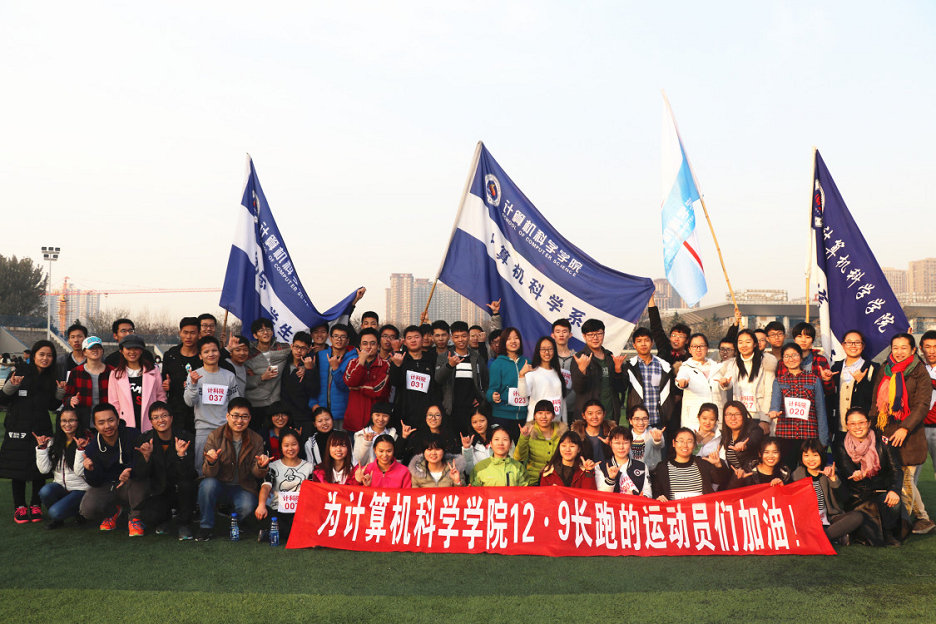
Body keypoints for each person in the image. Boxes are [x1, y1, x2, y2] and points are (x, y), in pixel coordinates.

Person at [868, 332, 933, 535]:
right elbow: (875, 402)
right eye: (895, 347)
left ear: (913, 350)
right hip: (885, 431)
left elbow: (922, 405)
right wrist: (872, 428)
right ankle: (923, 518)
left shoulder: (920, 371)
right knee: (898, 479)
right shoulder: (885, 369)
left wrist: (905, 428)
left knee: (905, 480)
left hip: (910, 434)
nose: (899, 352)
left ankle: (903, 523)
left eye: (904, 347)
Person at [0, 340, 63, 524]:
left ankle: (36, 505)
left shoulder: (52, 377)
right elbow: (2, 399)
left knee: (40, 468)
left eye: (49, 355)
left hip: (41, 429)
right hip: (18, 428)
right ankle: (19, 507)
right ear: (34, 355)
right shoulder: (19, 372)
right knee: (17, 469)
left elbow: (52, 406)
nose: (45, 358)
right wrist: (12, 386)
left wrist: (60, 392)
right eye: (42, 354)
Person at [197, 397, 270, 541]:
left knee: (247, 506)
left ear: (250, 418)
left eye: (244, 416)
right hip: (219, 483)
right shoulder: (214, 436)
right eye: (235, 416)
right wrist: (211, 462)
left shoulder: (256, 439)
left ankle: (236, 518)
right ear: (227, 416)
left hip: (243, 486)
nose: (239, 420)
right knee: (207, 485)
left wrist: (261, 466)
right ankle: (206, 527)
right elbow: (207, 473)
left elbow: (256, 474)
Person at [128, 401, 198, 539]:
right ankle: (164, 521)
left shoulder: (186, 437)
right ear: (151, 421)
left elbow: (189, 473)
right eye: (156, 417)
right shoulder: (144, 440)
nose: (161, 420)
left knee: (187, 485)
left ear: (171, 418)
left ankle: (184, 524)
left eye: (164, 415)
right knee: (151, 516)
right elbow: (141, 474)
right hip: (158, 489)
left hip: (180, 487)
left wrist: (181, 455)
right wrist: (146, 457)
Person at [835, 407, 903, 546]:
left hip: (880, 491)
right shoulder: (842, 445)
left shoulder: (883, 442)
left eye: (861, 422)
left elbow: (896, 470)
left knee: (894, 503)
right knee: (865, 516)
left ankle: (887, 532)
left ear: (869, 423)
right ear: (847, 426)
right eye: (852, 423)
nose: (857, 427)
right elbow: (846, 468)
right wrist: (855, 474)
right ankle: (863, 534)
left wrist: (894, 490)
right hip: (857, 495)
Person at [78, 403, 141, 532]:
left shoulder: (133, 435)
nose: (107, 426)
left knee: (141, 481)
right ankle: (113, 511)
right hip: (109, 485)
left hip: (131, 482)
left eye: (111, 420)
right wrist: (90, 471)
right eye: (101, 423)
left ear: (118, 420)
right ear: (95, 426)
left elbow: (142, 462)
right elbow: (95, 482)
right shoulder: (92, 447)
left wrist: (131, 470)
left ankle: (135, 518)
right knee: (87, 510)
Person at [184, 336, 241, 473]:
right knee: (202, 468)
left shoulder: (229, 376)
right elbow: (189, 402)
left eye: (214, 350)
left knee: (227, 468)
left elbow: (235, 404)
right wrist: (193, 384)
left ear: (219, 353)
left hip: (225, 430)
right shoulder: (194, 375)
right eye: (206, 351)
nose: (211, 354)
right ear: (200, 356)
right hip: (203, 430)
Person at [768, 343, 828, 469]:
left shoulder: (814, 380)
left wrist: (823, 440)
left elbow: (821, 410)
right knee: (786, 470)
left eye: (794, 355)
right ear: (782, 360)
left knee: (809, 471)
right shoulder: (779, 381)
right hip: (785, 435)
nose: (791, 359)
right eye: (787, 356)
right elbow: (775, 402)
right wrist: (773, 411)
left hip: (809, 434)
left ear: (801, 357)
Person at [795, 438, 864, 546]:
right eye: (806, 455)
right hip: (808, 521)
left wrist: (833, 479)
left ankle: (822, 538)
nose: (811, 459)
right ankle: (834, 538)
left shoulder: (830, 471)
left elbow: (844, 498)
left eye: (815, 455)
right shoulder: (796, 475)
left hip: (829, 519)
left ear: (821, 456)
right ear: (801, 457)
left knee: (857, 516)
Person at [35, 407, 90, 528]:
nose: (67, 424)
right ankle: (58, 520)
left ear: (78, 421)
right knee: (45, 491)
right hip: (61, 486)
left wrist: (81, 449)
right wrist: (42, 448)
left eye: (72, 420)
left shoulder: (86, 441)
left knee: (55, 512)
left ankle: (80, 512)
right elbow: (44, 470)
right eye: (64, 420)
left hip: (80, 490)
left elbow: (79, 472)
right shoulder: (54, 441)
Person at [256, 428, 312, 542]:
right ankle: (292, 533)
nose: (290, 448)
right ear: (281, 447)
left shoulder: (309, 467)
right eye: (286, 445)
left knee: (306, 521)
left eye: (294, 444)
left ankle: (273, 533)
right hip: (277, 511)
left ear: (299, 445)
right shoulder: (273, 466)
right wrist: (261, 505)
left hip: (300, 512)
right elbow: (266, 486)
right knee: (265, 515)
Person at [716, 329, 777, 435]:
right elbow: (728, 380)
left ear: (755, 344)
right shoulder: (732, 364)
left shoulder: (765, 362)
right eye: (740, 342)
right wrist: (725, 383)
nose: (744, 345)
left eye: (748, 342)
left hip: (759, 416)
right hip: (739, 417)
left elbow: (769, 393)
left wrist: (765, 420)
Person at [436, 321, 488, 435]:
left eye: (464, 336)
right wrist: (449, 366)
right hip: (450, 410)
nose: (460, 340)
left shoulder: (477, 358)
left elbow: (485, 382)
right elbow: (437, 379)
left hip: (472, 411)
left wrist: (481, 398)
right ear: (452, 338)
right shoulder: (444, 357)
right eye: (456, 337)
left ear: (468, 336)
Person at [108, 334, 167, 432]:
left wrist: (159, 417)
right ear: (121, 351)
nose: (132, 352)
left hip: (151, 422)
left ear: (141, 350)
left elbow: (161, 396)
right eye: (128, 348)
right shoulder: (115, 374)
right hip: (126, 423)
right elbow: (114, 403)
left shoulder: (153, 371)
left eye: (136, 348)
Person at [652, 428, 730, 501]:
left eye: (689, 441)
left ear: (695, 444)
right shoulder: (662, 468)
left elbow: (723, 483)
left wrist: (718, 465)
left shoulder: (703, 464)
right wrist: (658, 497)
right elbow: (656, 492)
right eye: (681, 441)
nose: (685, 445)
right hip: (673, 510)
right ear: (674, 443)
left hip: (700, 509)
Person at [829, 330, 878, 445]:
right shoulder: (835, 367)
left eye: (857, 342)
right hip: (839, 429)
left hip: (862, 430)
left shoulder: (872, 368)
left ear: (863, 345)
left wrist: (862, 382)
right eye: (849, 342)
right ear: (843, 345)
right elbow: (830, 398)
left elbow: (875, 398)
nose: (853, 345)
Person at [622, 327, 674, 431]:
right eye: (639, 341)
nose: (643, 344)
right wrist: (618, 371)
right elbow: (620, 387)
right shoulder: (630, 366)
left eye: (646, 340)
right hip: (638, 422)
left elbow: (671, 392)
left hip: (659, 421)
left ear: (652, 343)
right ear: (634, 345)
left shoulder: (663, 366)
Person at [389, 325, 441, 430]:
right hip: (404, 412)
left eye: (416, 337)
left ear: (422, 340)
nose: (413, 340)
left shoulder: (432, 359)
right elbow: (394, 382)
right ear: (405, 342)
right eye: (409, 338)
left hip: (427, 413)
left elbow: (437, 385)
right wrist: (397, 366)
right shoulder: (400, 359)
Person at [571, 318, 624, 420]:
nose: (595, 338)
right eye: (591, 335)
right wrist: (582, 370)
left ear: (604, 334)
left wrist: (618, 371)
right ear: (584, 336)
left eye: (599, 334)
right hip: (589, 417)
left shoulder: (610, 357)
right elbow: (578, 388)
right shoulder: (580, 358)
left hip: (610, 414)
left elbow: (620, 389)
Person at [243, 319, 291, 427]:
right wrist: (262, 377)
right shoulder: (248, 354)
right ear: (255, 335)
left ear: (272, 332)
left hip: (275, 403)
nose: (265, 332)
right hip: (254, 403)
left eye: (268, 329)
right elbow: (243, 382)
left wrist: (302, 367)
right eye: (261, 330)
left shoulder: (284, 348)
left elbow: (298, 356)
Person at [343, 327, 391, 434]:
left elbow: (378, 390)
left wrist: (358, 387)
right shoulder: (352, 363)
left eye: (372, 343)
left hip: (377, 423)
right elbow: (350, 382)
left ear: (378, 346)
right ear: (360, 346)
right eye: (365, 343)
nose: (368, 347)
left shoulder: (385, 365)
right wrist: (361, 362)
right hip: (354, 420)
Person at [486, 327, 530, 441]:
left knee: (522, 449)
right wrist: (492, 396)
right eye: (509, 339)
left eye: (516, 338)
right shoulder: (497, 364)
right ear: (503, 342)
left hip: (524, 416)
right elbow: (491, 390)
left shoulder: (527, 362)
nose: (513, 341)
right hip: (502, 416)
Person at [161, 317, 203, 433]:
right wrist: (166, 384)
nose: (188, 337)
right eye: (185, 332)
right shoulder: (171, 355)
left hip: (198, 410)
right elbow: (163, 378)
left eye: (192, 333)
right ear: (180, 333)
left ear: (199, 334)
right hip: (176, 410)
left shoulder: (203, 356)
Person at [312, 324, 358, 430]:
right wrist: (313, 403)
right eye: (336, 336)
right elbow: (312, 382)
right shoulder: (320, 356)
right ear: (330, 338)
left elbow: (346, 386)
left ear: (348, 340)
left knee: (341, 440)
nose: (339, 339)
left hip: (342, 412)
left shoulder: (354, 359)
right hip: (321, 411)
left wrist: (336, 369)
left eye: (343, 337)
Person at [63, 336, 114, 430]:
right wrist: (71, 400)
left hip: (107, 423)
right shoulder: (76, 372)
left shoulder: (112, 372)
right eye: (91, 348)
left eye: (98, 347)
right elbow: (66, 397)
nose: (95, 350)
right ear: (84, 352)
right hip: (83, 422)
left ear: (102, 351)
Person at [515, 399, 568, 485]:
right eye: (540, 413)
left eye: (548, 413)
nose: (544, 416)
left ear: (553, 416)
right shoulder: (529, 432)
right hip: (533, 480)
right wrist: (524, 438)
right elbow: (519, 457)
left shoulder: (563, 434)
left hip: (556, 480)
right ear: (535, 416)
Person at [675, 333, 721, 429]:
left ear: (707, 348)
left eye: (702, 346)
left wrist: (726, 384)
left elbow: (726, 384)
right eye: (694, 346)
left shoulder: (716, 366)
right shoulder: (686, 367)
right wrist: (682, 383)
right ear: (689, 349)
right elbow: (681, 379)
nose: (698, 349)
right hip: (693, 418)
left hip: (714, 417)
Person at [517, 337, 567, 424]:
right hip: (537, 424)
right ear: (538, 351)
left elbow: (562, 400)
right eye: (543, 349)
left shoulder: (558, 373)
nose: (547, 352)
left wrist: (565, 423)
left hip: (555, 424)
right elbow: (523, 394)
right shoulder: (532, 373)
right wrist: (522, 375)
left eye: (550, 349)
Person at [279, 331, 319, 431]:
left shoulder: (311, 366)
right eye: (296, 347)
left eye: (303, 348)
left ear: (308, 349)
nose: (299, 351)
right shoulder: (284, 361)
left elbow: (313, 391)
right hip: (284, 415)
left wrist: (308, 370)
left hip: (302, 416)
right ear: (291, 346)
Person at [595, 426, 652, 497]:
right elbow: (602, 496)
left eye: (625, 443)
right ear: (610, 443)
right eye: (617, 443)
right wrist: (610, 478)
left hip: (635, 503)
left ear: (631, 443)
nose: (621, 447)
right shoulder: (601, 467)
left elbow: (647, 491)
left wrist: (642, 497)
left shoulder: (641, 466)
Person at [395, 404, 460, 465]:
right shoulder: (417, 437)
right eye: (430, 415)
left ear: (442, 417)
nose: (433, 418)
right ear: (425, 417)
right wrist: (404, 437)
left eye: (437, 415)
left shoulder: (449, 438)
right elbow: (399, 456)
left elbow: (457, 460)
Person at [917, 330, 936, 534]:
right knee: (911, 477)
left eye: (935, 347)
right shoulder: (917, 368)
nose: (932, 351)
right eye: (927, 346)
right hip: (919, 429)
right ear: (921, 348)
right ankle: (918, 517)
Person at [725, 438, 792, 489]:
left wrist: (783, 487)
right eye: (766, 452)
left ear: (780, 454)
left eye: (775, 452)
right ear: (760, 454)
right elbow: (730, 495)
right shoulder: (747, 471)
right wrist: (738, 479)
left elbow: (791, 497)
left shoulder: (785, 474)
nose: (771, 456)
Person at [719, 401, 765, 474]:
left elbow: (755, 438)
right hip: (735, 476)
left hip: (752, 475)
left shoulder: (754, 429)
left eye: (737, 414)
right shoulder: (725, 435)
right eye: (729, 414)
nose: (733, 418)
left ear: (744, 415)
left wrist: (745, 445)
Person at [648, 295, 691, 365]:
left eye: (681, 336)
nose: (676, 339)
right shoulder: (664, 348)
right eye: (674, 335)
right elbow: (655, 325)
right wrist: (651, 297)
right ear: (670, 337)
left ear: (687, 341)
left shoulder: (690, 358)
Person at [353, 402, 397, 466]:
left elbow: (397, 460)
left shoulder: (394, 435)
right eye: (377, 415)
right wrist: (366, 442)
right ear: (372, 415)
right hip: (367, 471)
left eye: (385, 416)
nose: (381, 419)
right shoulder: (360, 434)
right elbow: (358, 462)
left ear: (389, 417)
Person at [626, 404, 666, 472]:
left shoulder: (654, 432)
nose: (641, 422)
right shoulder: (626, 435)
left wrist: (657, 440)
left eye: (644, 419)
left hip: (652, 472)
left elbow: (660, 445)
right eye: (637, 419)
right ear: (630, 421)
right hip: (631, 473)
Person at [571, 399, 613, 464]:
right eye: (590, 413)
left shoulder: (611, 434)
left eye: (598, 413)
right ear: (583, 416)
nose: (595, 417)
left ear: (604, 414)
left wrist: (612, 444)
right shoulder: (576, 436)